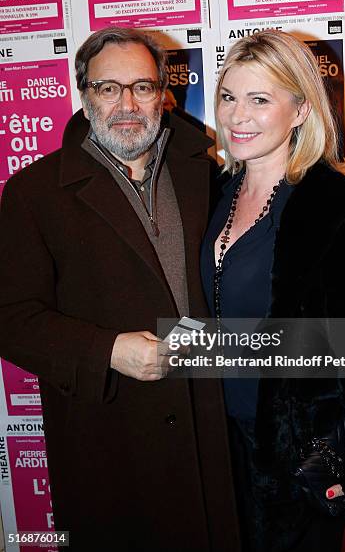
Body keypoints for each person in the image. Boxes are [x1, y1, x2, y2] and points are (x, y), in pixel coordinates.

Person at [0, 27, 240, 551]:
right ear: (84, 96)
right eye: (109, 88)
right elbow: (12, 318)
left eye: (142, 87)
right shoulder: (33, 193)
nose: (127, 104)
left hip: (208, 428)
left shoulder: (203, 171)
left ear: (163, 94)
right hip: (110, 438)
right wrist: (108, 350)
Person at [200, 30, 345, 552]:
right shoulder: (210, 193)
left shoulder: (338, 205)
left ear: (300, 110)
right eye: (228, 96)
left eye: (260, 99)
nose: (236, 115)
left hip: (293, 463)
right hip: (214, 451)